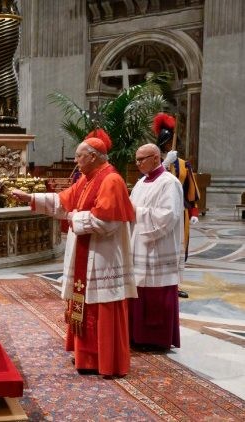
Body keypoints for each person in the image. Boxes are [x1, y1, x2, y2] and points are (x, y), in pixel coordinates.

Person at [12, 129, 137, 378]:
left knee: (101, 305)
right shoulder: (88, 179)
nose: (76, 160)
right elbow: (63, 201)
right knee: (85, 303)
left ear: (93, 156)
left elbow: (107, 222)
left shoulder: (111, 180)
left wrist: (73, 217)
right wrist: (30, 197)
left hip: (102, 256)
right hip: (87, 253)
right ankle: (87, 357)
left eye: (79, 156)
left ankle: (105, 360)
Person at [128, 143, 184, 351]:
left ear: (155, 158)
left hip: (158, 246)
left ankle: (156, 339)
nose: (138, 163)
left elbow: (168, 215)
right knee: (138, 291)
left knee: (156, 293)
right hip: (138, 244)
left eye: (141, 159)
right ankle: (136, 335)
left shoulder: (169, 183)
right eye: (136, 159)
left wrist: (136, 211)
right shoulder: (141, 182)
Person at [152, 112, 200, 298]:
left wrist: (193, 212)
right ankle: (158, 281)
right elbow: (147, 181)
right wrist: (164, 164)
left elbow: (190, 190)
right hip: (159, 211)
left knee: (179, 246)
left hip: (181, 212)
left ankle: (175, 284)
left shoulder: (183, 165)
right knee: (161, 246)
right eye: (165, 142)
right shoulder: (153, 163)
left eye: (170, 141)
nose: (168, 144)